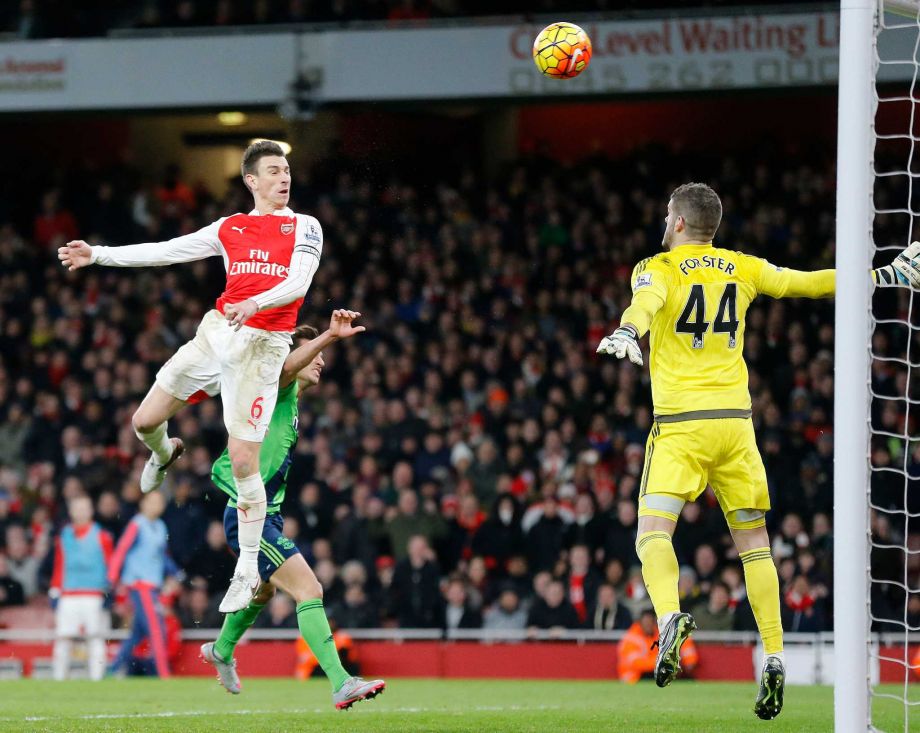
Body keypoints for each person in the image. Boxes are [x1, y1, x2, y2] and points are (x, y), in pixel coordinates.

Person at [597, 182, 920, 719]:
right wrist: (886, 274)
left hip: (680, 427)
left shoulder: (657, 267)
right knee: (756, 548)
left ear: (677, 222)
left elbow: (646, 302)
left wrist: (628, 331)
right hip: (735, 428)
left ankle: (671, 616)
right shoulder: (742, 267)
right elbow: (809, 283)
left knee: (653, 534)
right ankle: (774, 654)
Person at [58, 140, 324, 613]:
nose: (284, 177)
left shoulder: (305, 226)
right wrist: (98, 255)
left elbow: (298, 283)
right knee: (143, 421)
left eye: (286, 170)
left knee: (244, 460)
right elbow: (167, 251)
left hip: (263, 345)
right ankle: (165, 452)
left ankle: (245, 571)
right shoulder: (230, 228)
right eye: (274, 171)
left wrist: (255, 303)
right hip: (219, 333)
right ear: (252, 181)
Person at [199, 310, 385, 710]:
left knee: (264, 590)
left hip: (269, 513)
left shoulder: (294, 402)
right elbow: (285, 365)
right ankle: (340, 682)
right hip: (250, 515)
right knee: (309, 589)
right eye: (311, 354)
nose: (320, 362)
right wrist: (330, 338)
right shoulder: (275, 386)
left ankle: (221, 649)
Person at [108, 491, 177, 678]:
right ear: (143, 504)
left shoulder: (160, 526)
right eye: (152, 501)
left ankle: (111, 669)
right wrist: (112, 576)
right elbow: (121, 549)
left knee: (137, 634)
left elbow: (162, 556)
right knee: (157, 629)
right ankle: (164, 674)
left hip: (152, 584)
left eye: (159, 502)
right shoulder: (136, 524)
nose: (156, 506)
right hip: (140, 584)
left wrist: (175, 573)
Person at [49, 495, 113, 681]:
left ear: (91, 511)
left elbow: (110, 565)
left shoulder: (102, 536)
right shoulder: (64, 535)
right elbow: (60, 564)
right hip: (68, 594)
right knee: (63, 638)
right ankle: (59, 679)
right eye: (77, 508)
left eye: (85, 508)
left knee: (95, 638)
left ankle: (96, 679)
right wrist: (54, 590)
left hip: (93, 594)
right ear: (71, 511)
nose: (81, 512)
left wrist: (109, 590)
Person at [617, 609, 697, 684]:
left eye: (650, 622)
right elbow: (637, 664)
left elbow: (683, 641)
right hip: (634, 678)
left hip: (652, 673)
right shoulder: (631, 638)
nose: (648, 625)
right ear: (640, 623)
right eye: (646, 622)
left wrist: (689, 660)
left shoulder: (659, 633)